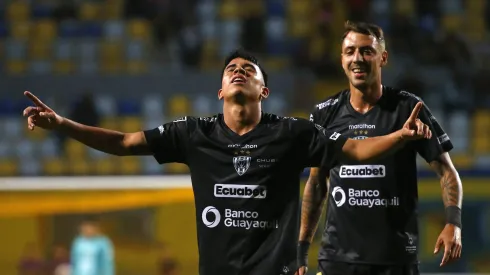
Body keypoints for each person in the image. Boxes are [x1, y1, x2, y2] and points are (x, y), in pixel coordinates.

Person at [22, 49, 431, 275]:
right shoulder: (195, 133)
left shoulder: (292, 133)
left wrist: (400, 136)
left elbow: (354, 150)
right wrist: (61, 125)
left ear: (263, 90)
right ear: (220, 91)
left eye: (247, 70)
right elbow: (125, 142)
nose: (238, 72)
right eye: (231, 70)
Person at [297, 21, 463, 275]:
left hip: (394, 260)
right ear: (342, 59)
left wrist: (454, 223)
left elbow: (447, 171)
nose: (357, 58)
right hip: (337, 261)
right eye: (350, 51)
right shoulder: (325, 113)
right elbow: (316, 183)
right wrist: (302, 248)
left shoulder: (408, 108)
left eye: (366, 51)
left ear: (383, 57)